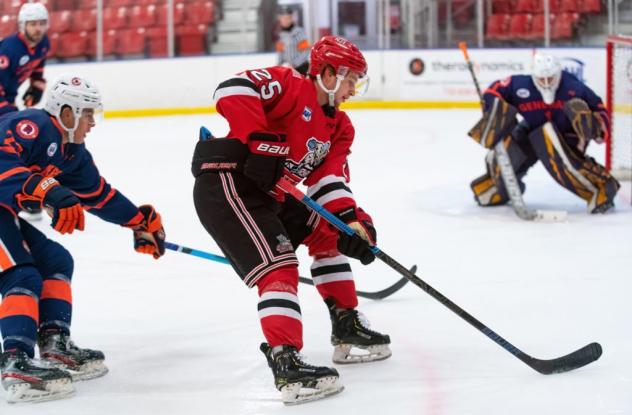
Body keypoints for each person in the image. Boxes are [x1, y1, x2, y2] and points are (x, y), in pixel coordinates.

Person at [192, 35, 390, 405]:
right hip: (228, 184)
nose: (352, 89)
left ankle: (347, 326)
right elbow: (231, 88)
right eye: (350, 80)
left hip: (272, 194)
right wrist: (259, 139)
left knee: (328, 233)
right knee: (279, 265)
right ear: (327, 73)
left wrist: (355, 223)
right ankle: (287, 363)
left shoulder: (340, 127)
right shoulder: (289, 84)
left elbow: (330, 180)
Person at [0, 75, 166, 403]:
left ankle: (54, 344)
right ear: (66, 112)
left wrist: (138, 222)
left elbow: (97, 194)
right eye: (88, 113)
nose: (92, 122)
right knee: (22, 273)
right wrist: (48, 190)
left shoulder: (71, 152)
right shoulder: (31, 124)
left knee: (57, 260)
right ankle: (15, 361)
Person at [469, 52, 620, 213]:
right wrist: (492, 109)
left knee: (559, 158)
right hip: (533, 128)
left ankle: (602, 187)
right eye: (542, 78)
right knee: (505, 152)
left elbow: (598, 107)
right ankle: (500, 188)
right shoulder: (519, 85)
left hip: (567, 135)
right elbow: (494, 91)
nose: (546, 83)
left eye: (551, 78)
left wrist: (597, 127)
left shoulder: (573, 86)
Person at [0, 2, 51, 222]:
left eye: (41, 23)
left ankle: (24, 195)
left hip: (7, 98)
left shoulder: (43, 44)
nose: (38, 29)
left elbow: (38, 66)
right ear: (23, 25)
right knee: (15, 145)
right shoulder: (9, 48)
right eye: (33, 24)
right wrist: (8, 111)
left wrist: (36, 86)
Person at [275, 5, 310, 76]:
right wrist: (277, 67)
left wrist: (294, 64)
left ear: (291, 18)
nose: (285, 20)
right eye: (283, 18)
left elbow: (306, 51)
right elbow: (280, 53)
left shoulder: (299, 32)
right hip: (289, 70)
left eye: (288, 17)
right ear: (280, 19)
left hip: (302, 68)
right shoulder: (280, 35)